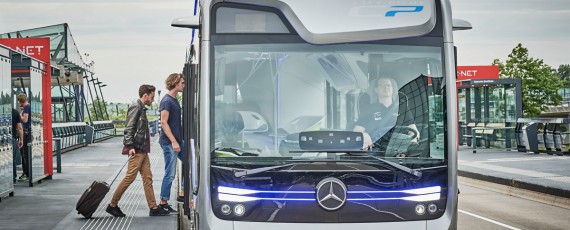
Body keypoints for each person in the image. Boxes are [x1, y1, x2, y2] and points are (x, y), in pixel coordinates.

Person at [106, 84, 170, 217]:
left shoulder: (142, 109)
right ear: (145, 95)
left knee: (148, 178)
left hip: (143, 150)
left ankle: (153, 207)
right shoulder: (136, 108)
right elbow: (129, 129)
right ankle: (112, 205)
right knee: (129, 178)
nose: (153, 100)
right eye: (152, 97)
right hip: (136, 149)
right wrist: (130, 147)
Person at [354, 77, 420, 150]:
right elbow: (357, 129)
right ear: (376, 89)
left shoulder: (402, 107)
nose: (386, 87)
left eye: (388, 85)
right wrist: (364, 135)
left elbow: (412, 128)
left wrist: (413, 140)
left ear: (392, 89)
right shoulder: (369, 109)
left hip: (399, 148)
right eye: (382, 85)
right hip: (376, 148)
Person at [158, 73, 185, 213]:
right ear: (175, 83)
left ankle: (182, 193)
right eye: (182, 82)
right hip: (169, 142)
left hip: (178, 141)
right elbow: (163, 122)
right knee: (170, 173)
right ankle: (163, 202)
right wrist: (174, 141)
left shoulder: (175, 100)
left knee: (191, 162)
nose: (184, 85)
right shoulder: (167, 101)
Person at [17, 93, 31, 181]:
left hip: (26, 132)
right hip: (26, 132)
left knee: (25, 154)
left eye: (19, 101)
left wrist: (18, 116)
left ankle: (26, 173)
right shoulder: (27, 106)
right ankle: (26, 172)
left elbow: (25, 119)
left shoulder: (26, 107)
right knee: (24, 154)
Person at [12, 108, 24, 182]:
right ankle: (13, 178)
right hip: (12, 138)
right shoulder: (15, 112)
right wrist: (21, 139)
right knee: (12, 159)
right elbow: (19, 128)